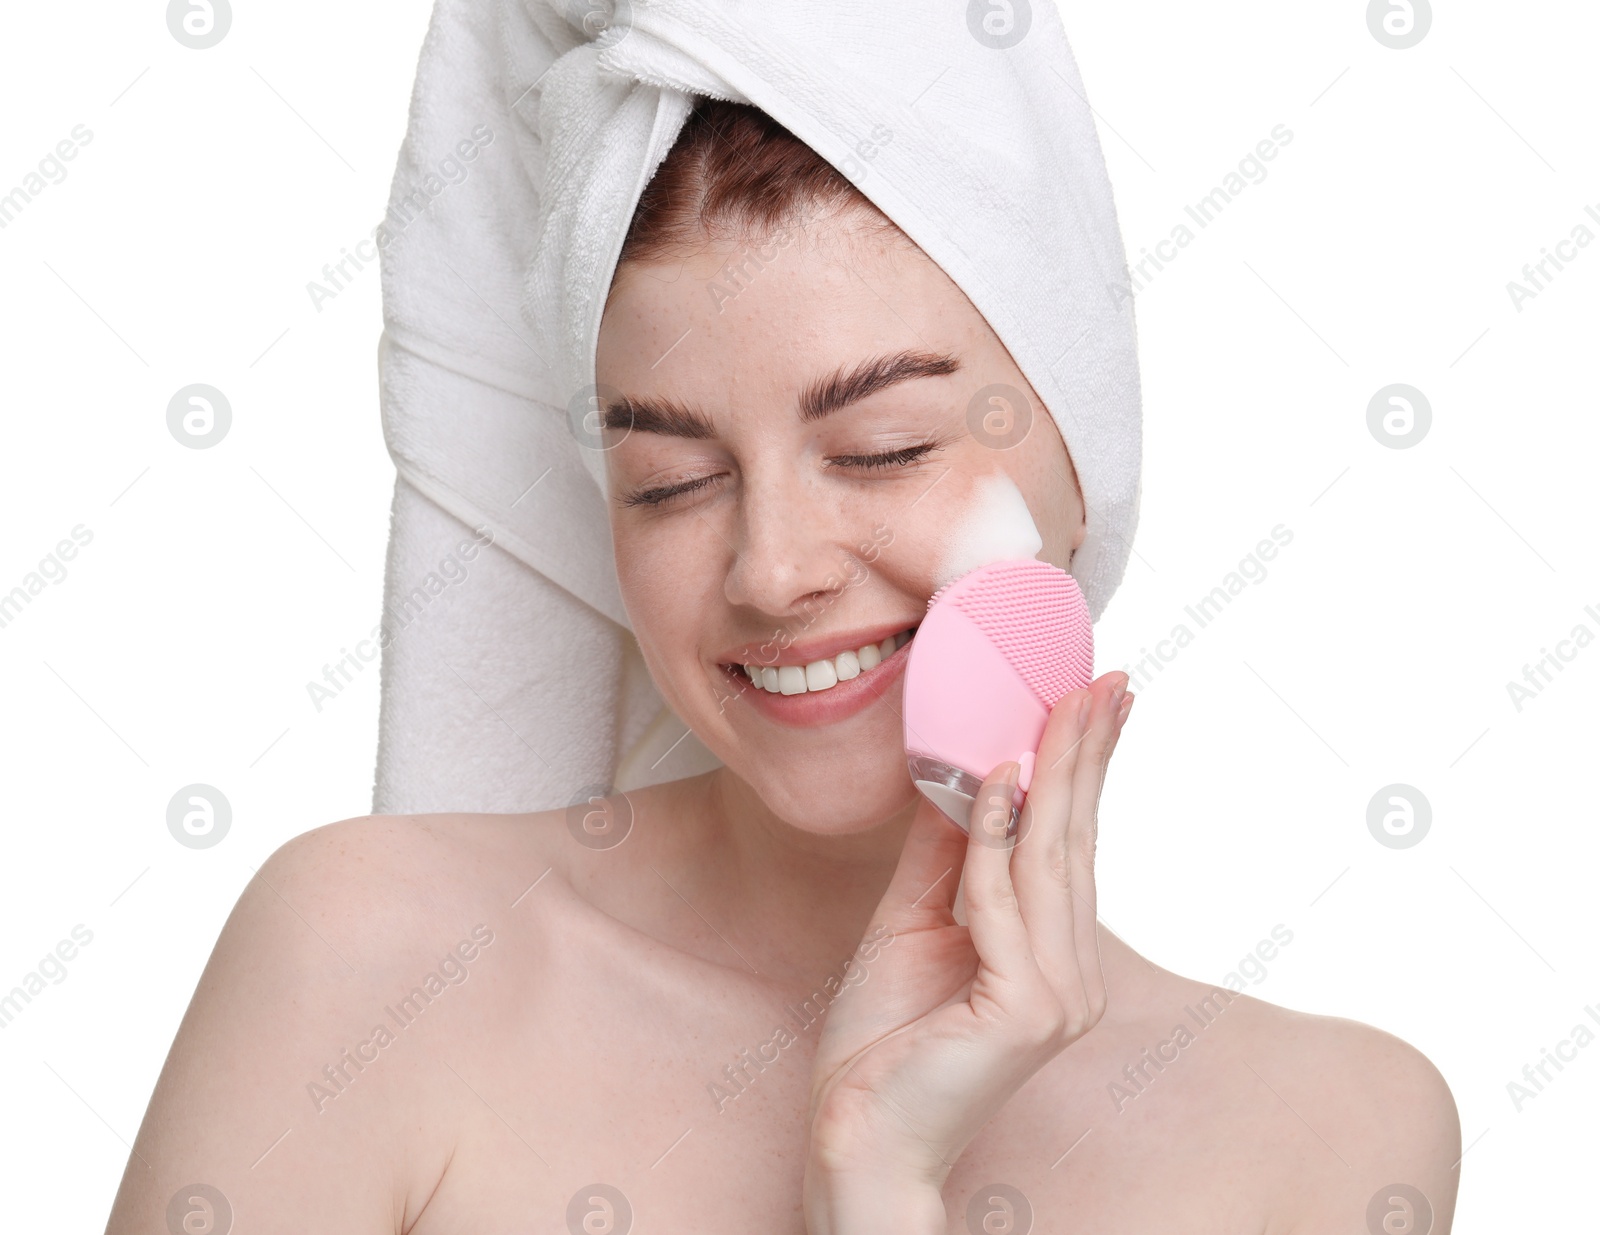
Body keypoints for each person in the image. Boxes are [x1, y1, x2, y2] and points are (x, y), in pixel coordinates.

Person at [104, 99, 1460, 1235]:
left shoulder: (1334, 1134)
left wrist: (875, 1186)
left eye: (880, 450)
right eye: (672, 481)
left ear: (1082, 469)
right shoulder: (371, 962)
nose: (770, 569)